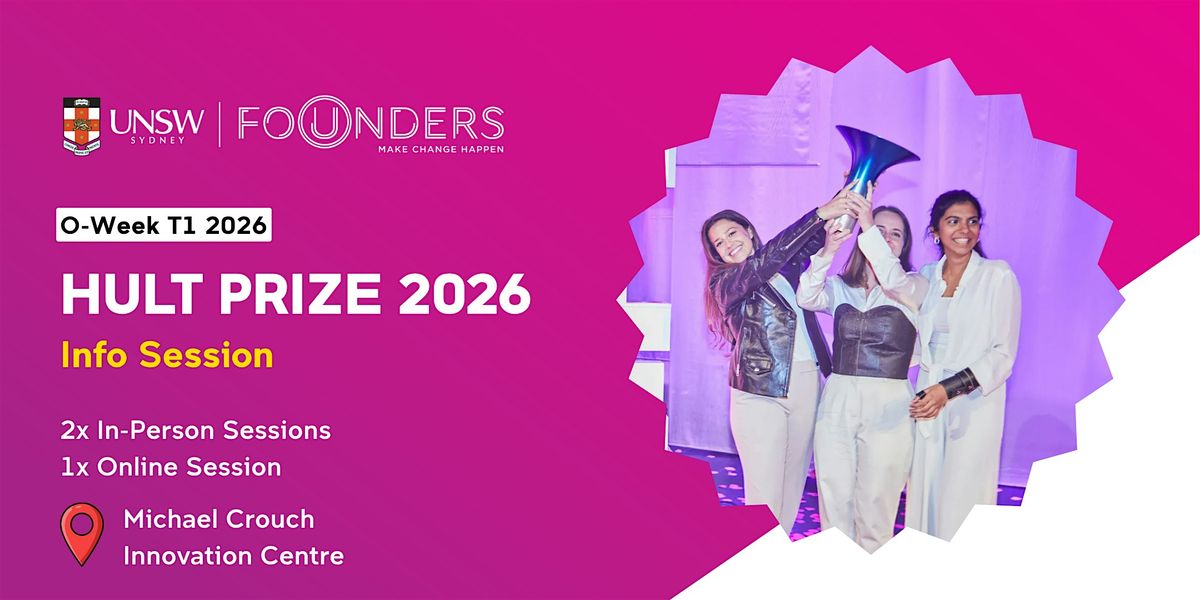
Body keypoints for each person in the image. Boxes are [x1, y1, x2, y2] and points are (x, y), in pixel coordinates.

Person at [700, 184, 858, 531]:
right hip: (759, 392)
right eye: (719, 243)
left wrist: (853, 186)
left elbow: (811, 238)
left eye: (732, 233)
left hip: (807, 383)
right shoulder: (725, 283)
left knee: (790, 492)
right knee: (764, 497)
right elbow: (766, 259)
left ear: (748, 231)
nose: (729, 244)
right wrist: (819, 212)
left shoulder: (785, 267)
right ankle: (757, 558)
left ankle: (775, 558)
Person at [795, 187, 929, 552]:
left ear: (904, 246)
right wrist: (829, 250)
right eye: (878, 229)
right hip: (838, 396)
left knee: (877, 504)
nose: (885, 237)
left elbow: (894, 281)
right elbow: (806, 296)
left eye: (895, 234)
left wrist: (867, 224)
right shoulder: (841, 288)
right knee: (834, 497)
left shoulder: (915, 285)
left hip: (890, 402)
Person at [907, 190, 1021, 540]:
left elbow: (1003, 354)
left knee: (963, 494)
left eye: (972, 222)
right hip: (927, 396)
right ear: (935, 231)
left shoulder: (997, 276)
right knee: (925, 489)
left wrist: (948, 390)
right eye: (953, 221)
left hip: (974, 401)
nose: (964, 230)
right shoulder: (926, 276)